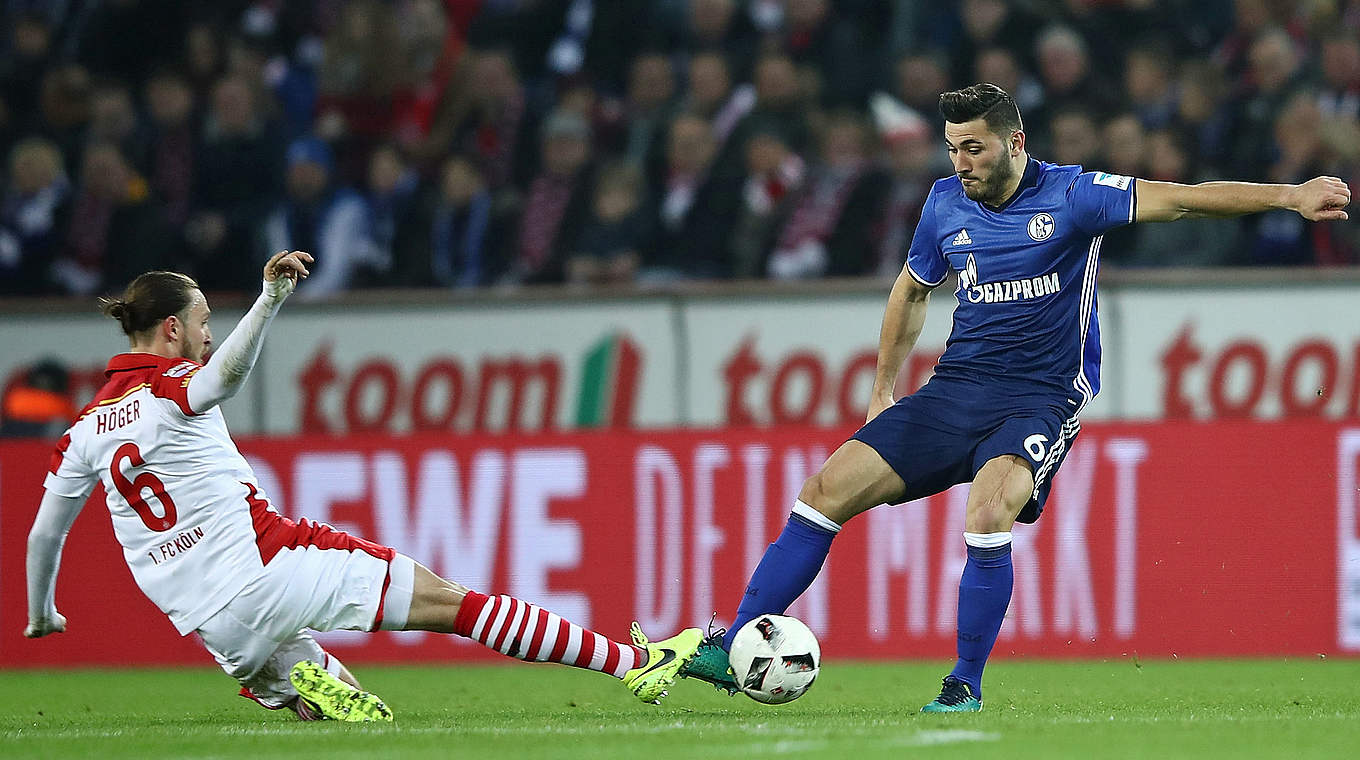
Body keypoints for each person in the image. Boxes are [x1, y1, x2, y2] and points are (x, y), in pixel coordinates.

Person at [671, 83, 1351, 711]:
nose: (962, 161)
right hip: (956, 389)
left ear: (1014, 143)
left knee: (988, 507)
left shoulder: (1076, 196)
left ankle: (963, 685)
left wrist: (1289, 196)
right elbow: (911, 292)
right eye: (953, 148)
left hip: (1041, 397)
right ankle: (730, 646)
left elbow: (1182, 197)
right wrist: (882, 389)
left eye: (975, 147)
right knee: (824, 491)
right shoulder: (943, 204)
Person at [25, 253, 702, 722]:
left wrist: (42, 612)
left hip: (213, 627)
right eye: (203, 324)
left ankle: (306, 690)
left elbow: (45, 534)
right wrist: (270, 299)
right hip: (266, 567)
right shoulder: (171, 390)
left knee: (355, 713)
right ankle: (631, 664)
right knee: (453, 604)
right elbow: (223, 379)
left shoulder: (84, 430)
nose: (208, 337)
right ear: (172, 328)